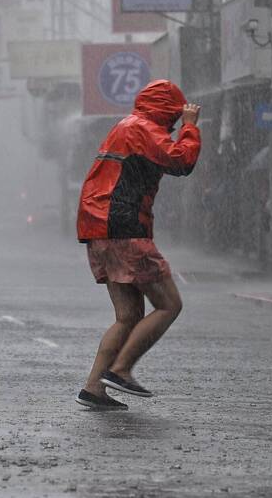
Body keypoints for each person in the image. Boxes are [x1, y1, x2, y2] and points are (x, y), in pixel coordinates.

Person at [74, 79, 201, 410]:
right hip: (123, 226)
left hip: (99, 226)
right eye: (174, 116)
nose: (174, 124)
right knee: (170, 304)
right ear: (166, 110)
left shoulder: (127, 126)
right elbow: (181, 161)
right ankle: (121, 370)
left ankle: (93, 388)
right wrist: (190, 128)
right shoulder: (143, 128)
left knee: (128, 315)